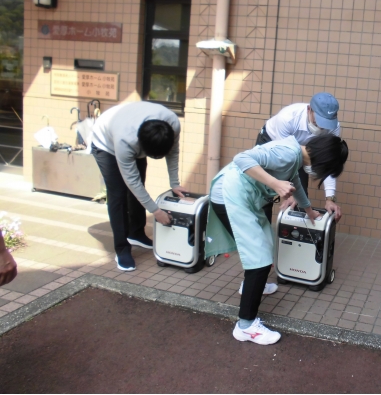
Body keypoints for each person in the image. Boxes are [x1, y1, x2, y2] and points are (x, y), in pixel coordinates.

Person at [205, 132, 348, 345]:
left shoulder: (295, 156)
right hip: (229, 195)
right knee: (259, 258)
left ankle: (254, 286)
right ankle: (246, 326)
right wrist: (275, 184)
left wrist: (308, 210)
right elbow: (241, 158)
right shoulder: (287, 153)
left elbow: (295, 182)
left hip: (240, 195)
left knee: (264, 244)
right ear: (324, 162)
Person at [91, 101, 187, 272]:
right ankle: (122, 249)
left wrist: (174, 183)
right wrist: (156, 211)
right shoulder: (125, 141)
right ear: (141, 146)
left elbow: (173, 152)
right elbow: (132, 181)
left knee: (139, 186)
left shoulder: (172, 124)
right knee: (118, 194)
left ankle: (136, 233)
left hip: (129, 126)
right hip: (106, 144)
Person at [255, 92, 343, 222]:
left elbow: (328, 163)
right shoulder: (287, 118)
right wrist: (288, 192)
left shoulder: (333, 128)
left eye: (325, 124)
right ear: (309, 109)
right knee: (264, 192)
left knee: (300, 198)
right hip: (273, 142)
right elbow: (284, 158)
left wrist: (330, 199)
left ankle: (293, 232)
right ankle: (262, 229)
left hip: (305, 152)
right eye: (318, 122)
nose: (321, 127)